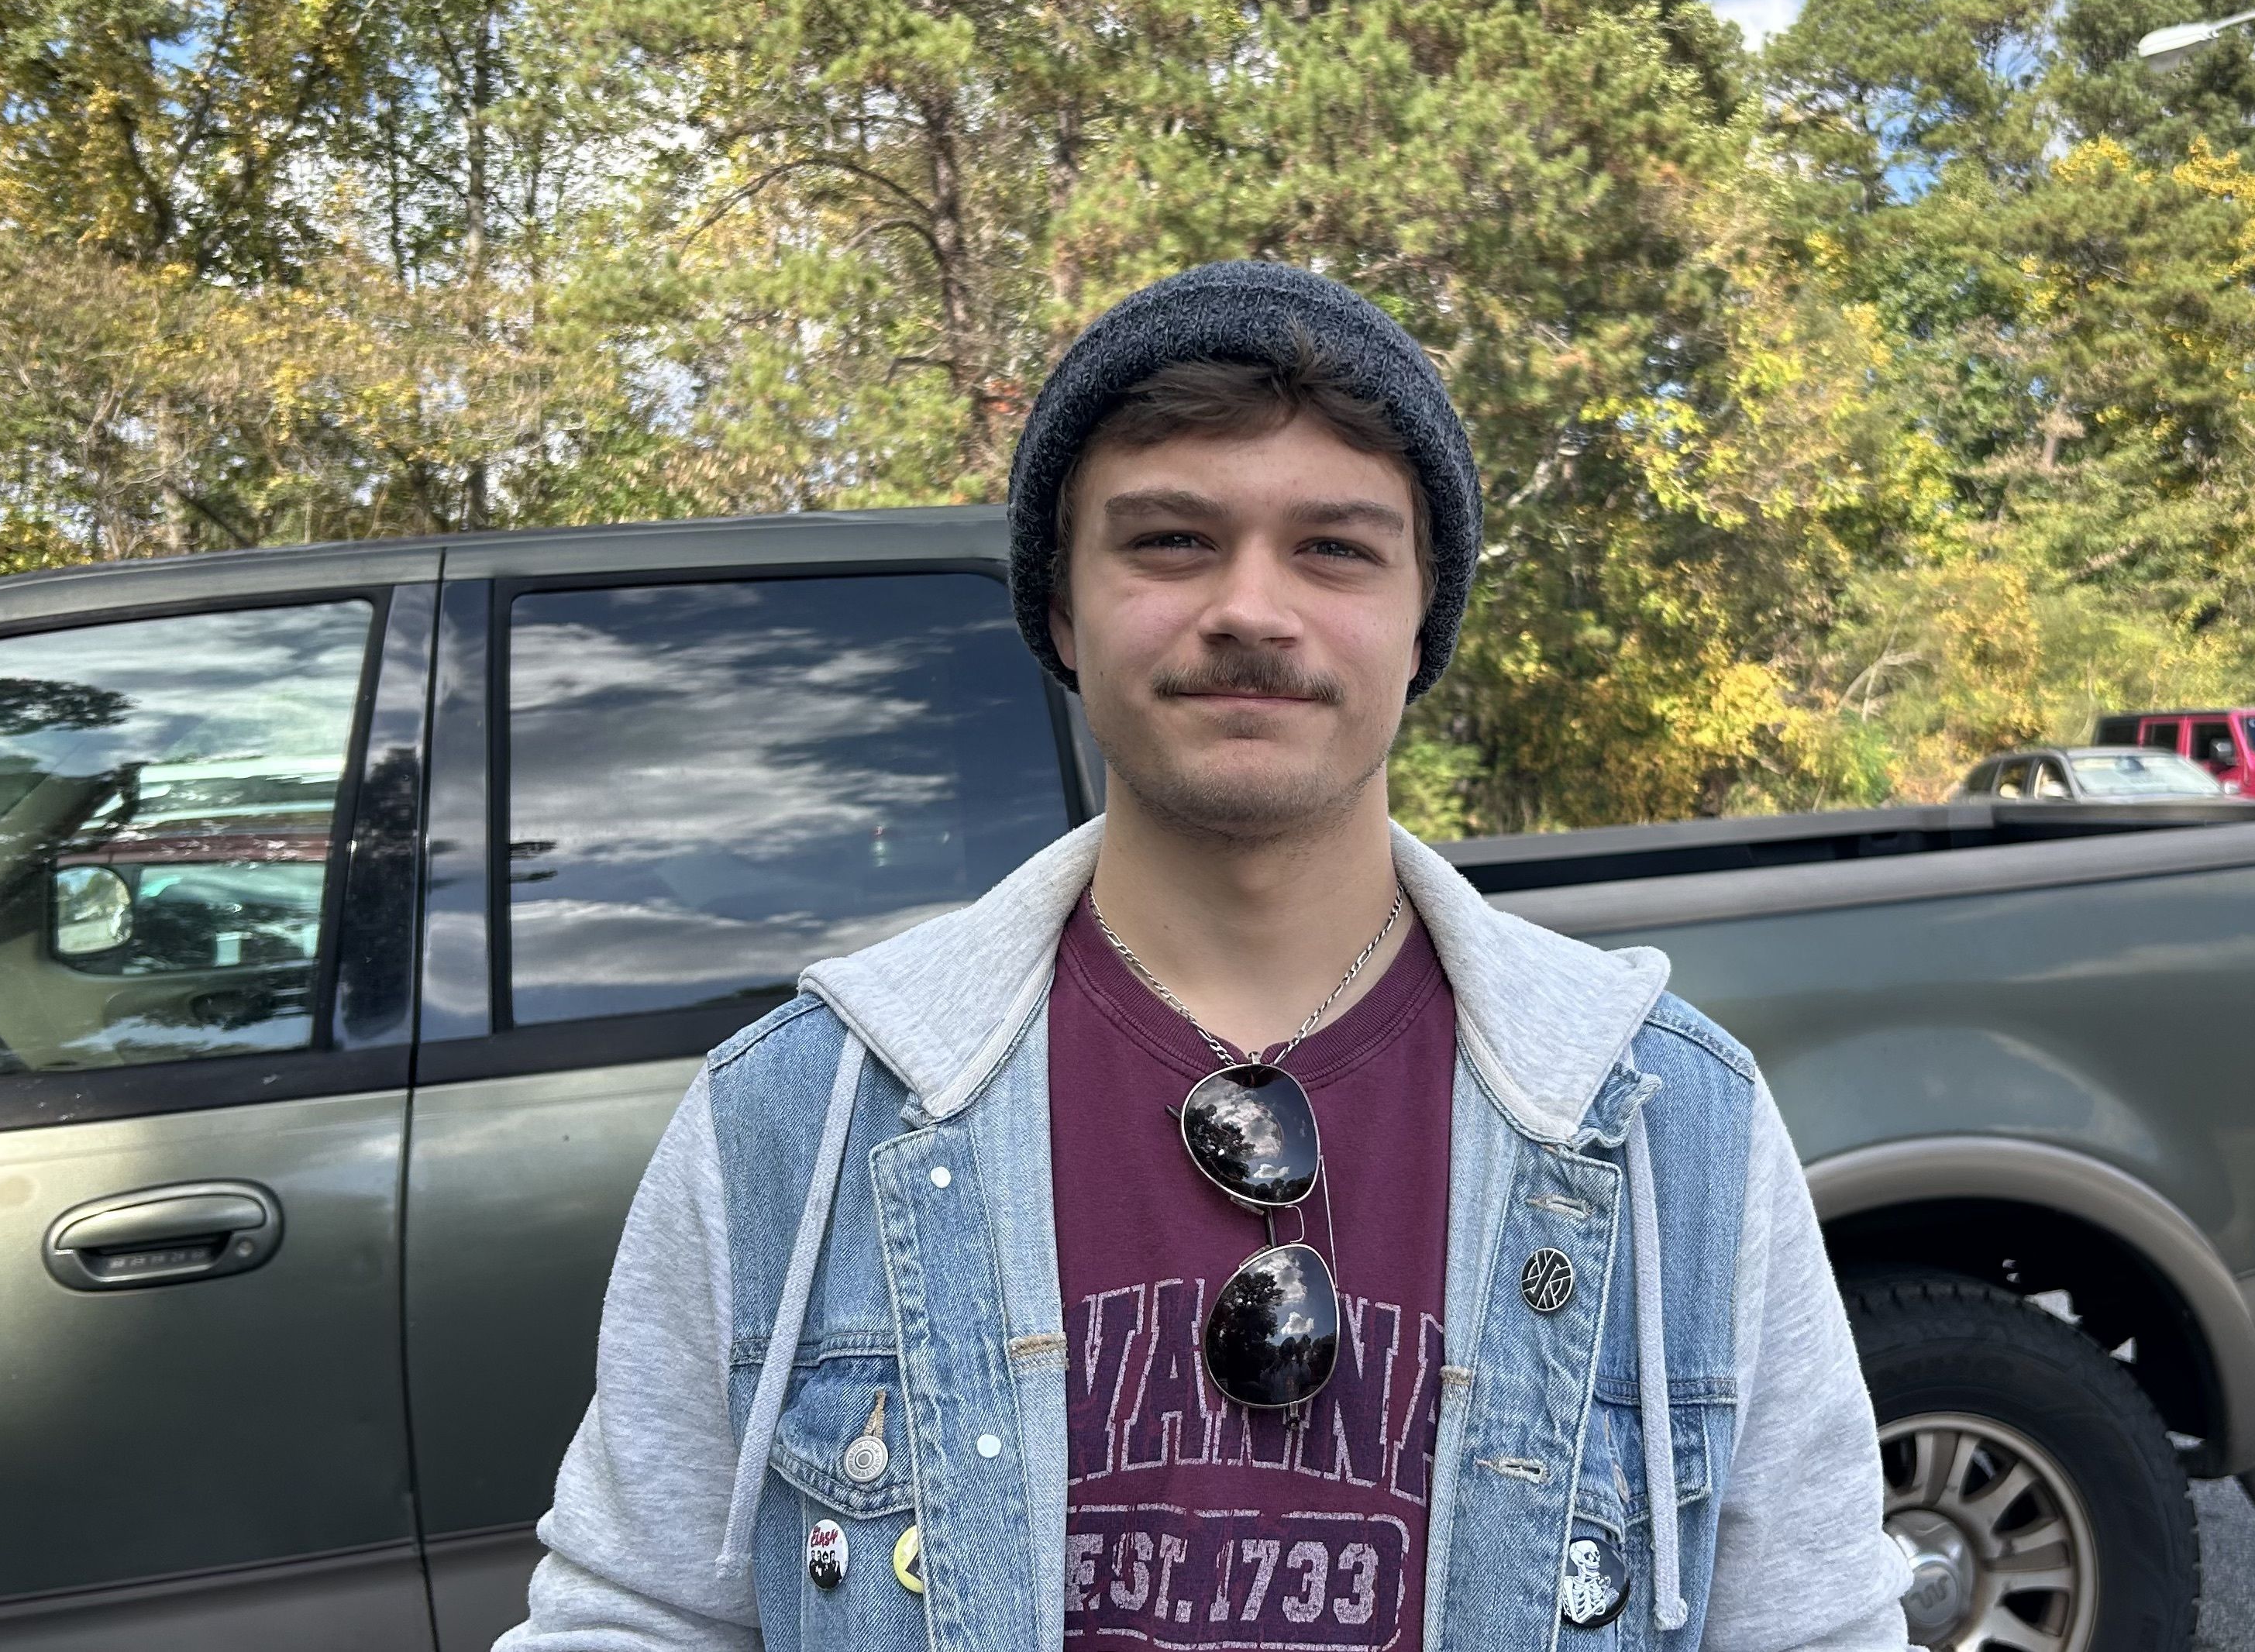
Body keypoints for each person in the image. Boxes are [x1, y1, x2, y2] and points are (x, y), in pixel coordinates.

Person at [501, 261, 1913, 1650]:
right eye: (1172, 540)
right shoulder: (795, 1115)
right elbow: (631, 1618)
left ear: (1425, 619)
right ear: (1060, 608)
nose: (1252, 607)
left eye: (1336, 548)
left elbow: (1821, 1627)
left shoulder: (1669, 1124)